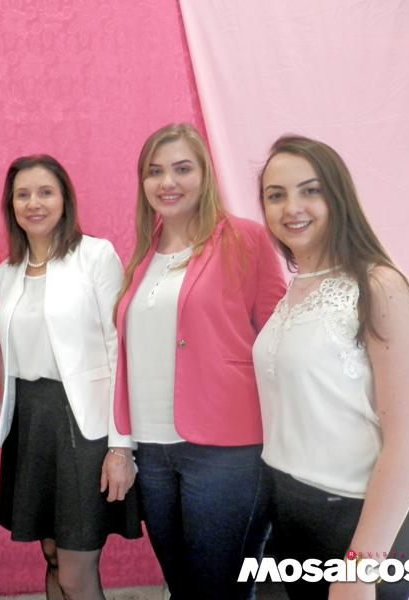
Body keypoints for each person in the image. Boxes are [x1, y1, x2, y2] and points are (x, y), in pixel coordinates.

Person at [112, 123, 286, 599]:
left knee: (220, 589)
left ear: (204, 174)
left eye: (181, 169)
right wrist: (122, 444)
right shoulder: (143, 257)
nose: (167, 182)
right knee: (183, 587)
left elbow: (279, 341)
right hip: (154, 449)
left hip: (226, 449)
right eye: (155, 171)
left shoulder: (246, 239)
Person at [253, 135, 409, 600]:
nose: (293, 206)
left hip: (362, 522)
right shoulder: (295, 287)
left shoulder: (377, 285)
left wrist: (359, 567)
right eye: (276, 195)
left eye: (310, 190)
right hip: (292, 513)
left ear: (338, 196)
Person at [0, 155, 141, 600]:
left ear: (64, 200)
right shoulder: (7, 272)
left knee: (77, 571)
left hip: (84, 425)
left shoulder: (94, 256)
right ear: (11, 205)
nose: (33, 203)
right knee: (53, 555)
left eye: (45, 192)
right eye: (23, 194)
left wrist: (122, 446)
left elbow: (121, 349)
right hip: (30, 424)